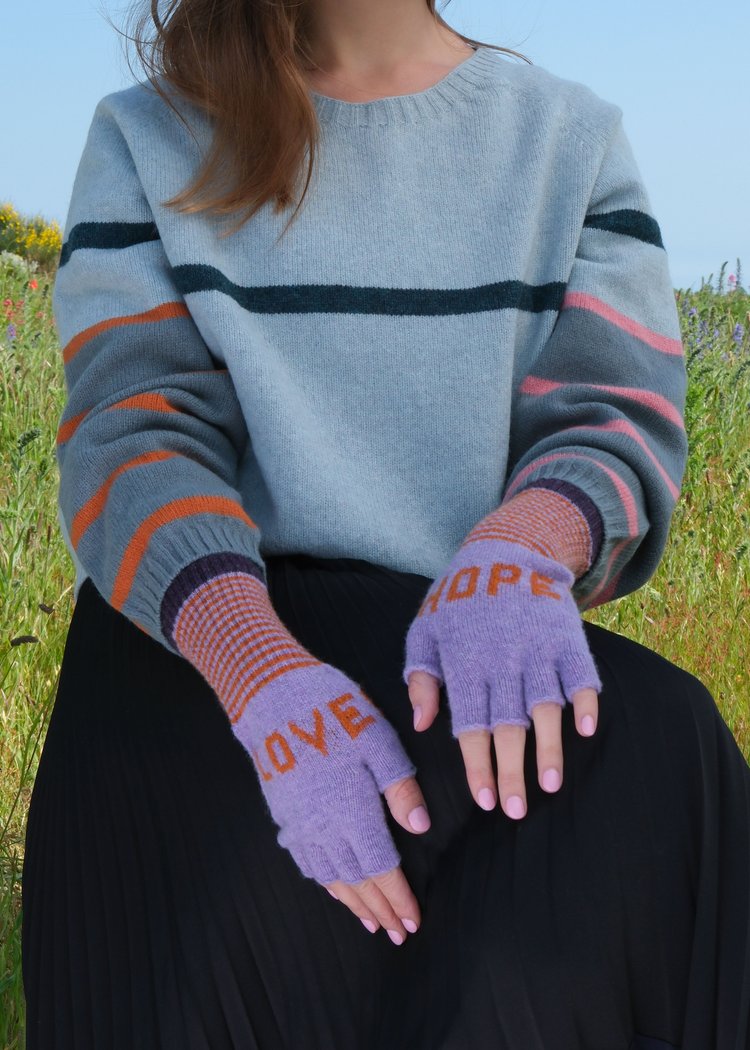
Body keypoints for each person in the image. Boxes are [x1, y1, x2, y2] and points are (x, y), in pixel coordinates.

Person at [21, 1, 750, 1047]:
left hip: (462, 661)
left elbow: (615, 411)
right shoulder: (153, 132)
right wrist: (258, 667)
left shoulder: (566, 138)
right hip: (214, 668)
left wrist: (526, 544)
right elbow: (132, 436)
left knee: (670, 766)